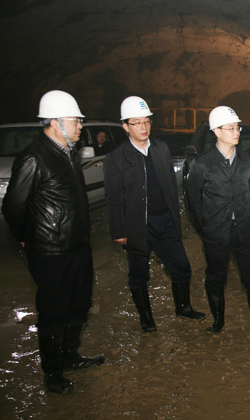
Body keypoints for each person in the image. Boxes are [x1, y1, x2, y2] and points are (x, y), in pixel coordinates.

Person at [2, 90, 104, 394]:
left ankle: (70, 356)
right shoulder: (34, 157)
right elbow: (13, 206)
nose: (80, 126)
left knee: (79, 305)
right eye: (76, 120)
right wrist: (26, 237)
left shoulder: (68, 154)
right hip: (51, 252)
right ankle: (53, 374)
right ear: (55, 122)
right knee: (54, 312)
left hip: (78, 247)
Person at [104, 96, 205, 333]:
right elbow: (113, 197)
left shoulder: (161, 148)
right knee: (139, 274)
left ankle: (183, 307)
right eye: (137, 122)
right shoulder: (116, 158)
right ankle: (146, 318)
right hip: (138, 225)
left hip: (165, 221)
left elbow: (170, 185)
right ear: (125, 126)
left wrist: (176, 218)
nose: (143, 127)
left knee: (181, 267)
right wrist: (119, 230)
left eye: (147, 121)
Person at [186, 106, 250, 340]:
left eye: (237, 127)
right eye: (231, 128)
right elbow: (193, 200)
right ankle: (218, 321)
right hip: (216, 232)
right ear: (217, 131)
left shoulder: (246, 160)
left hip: (245, 231)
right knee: (216, 277)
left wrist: (247, 214)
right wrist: (207, 225)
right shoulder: (202, 164)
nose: (237, 131)